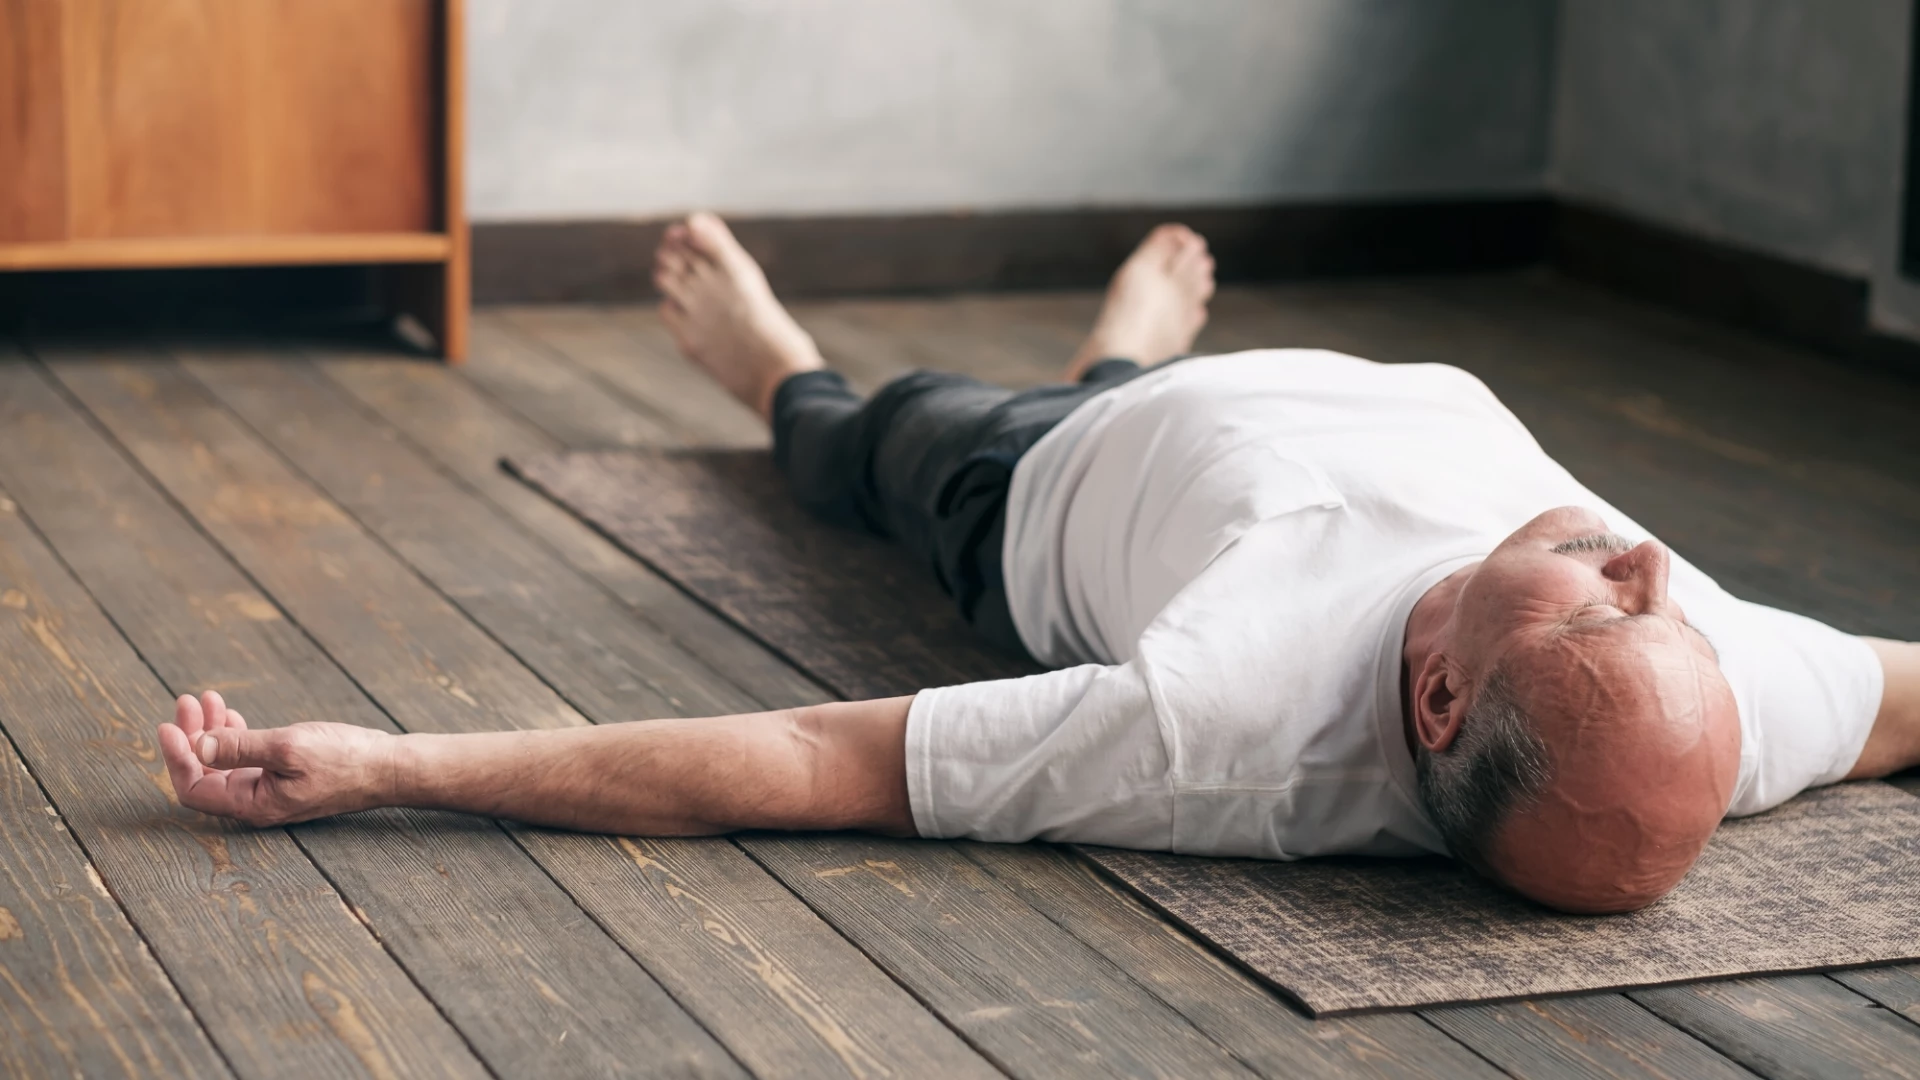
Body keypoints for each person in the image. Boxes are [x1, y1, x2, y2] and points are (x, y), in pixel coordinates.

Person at [157, 215, 1920, 914]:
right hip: (1231, 426)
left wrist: (391, 763)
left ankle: (778, 361)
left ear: (1441, 689)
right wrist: (1651, 641)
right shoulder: (1727, 691)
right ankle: (1128, 350)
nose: (1653, 567)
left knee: (868, 448)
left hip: (1039, 490)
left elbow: (812, 762)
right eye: (1656, 603)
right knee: (1143, 393)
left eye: (1609, 613)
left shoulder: (1217, 724)